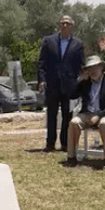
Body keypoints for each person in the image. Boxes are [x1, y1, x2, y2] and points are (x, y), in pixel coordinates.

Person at [37, 15, 85, 152]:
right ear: (58, 25)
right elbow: (42, 62)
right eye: (62, 23)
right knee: (51, 114)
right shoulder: (48, 41)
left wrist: (81, 82)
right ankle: (50, 143)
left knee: (67, 115)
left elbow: (81, 65)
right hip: (52, 84)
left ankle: (65, 143)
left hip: (69, 86)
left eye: (67, 23)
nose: (64, 25)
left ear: (72, 27)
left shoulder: (78, 44)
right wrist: (42, 80)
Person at [64, 56, 105, 168]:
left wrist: (99, 116)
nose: (93, 71)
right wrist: (80, 80)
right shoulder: (85, 83)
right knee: (74, 123)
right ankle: (71, 157)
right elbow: (72, 95)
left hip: (104, 113)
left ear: (101, 68)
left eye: (95, 68)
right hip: (87, 113)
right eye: (89, 68)